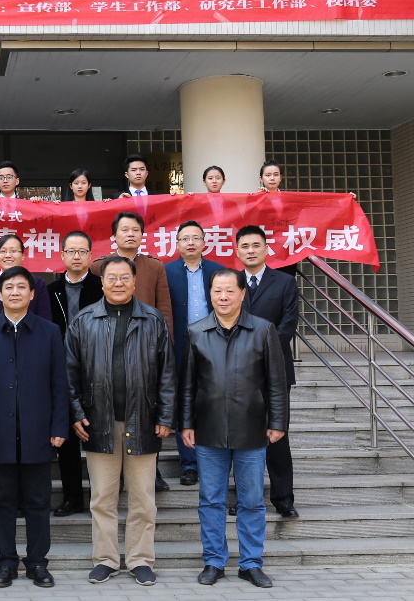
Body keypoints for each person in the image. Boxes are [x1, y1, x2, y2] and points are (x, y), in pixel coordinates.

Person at [66, 255, 176, 586]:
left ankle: (141, 560)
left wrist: (165, 414)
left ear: (134, 281)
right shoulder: (83, 321)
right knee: (102, 498)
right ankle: (106, 559)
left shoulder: (153, 320)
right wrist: (76, 412)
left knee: (143, 498)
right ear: (101, 283)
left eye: (124, 277)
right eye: (111, 278)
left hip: (142, 420)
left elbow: (167, 373)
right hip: (99, 423)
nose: (118, 283)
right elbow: (69, 373)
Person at [180, 269, 288, 589]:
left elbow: (276, 382)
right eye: (217, 291)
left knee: (252, 500)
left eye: (229, 291)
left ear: (243, 294)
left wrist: (278, 422)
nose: (223, 297)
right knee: (210, 500)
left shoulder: (263, 330)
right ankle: (214, 561)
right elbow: (188, 384)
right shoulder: (196, 331)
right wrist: (186, 423)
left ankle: (251, 563)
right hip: (209, 429)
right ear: (210, 294)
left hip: (251, 429)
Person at [0, 266, 67, 589]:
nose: (15, 292)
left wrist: (59, 426)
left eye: (21, 287)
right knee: (1, 502)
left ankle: (38, 563)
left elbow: (59, 383)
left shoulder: (49, 332)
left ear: (32, 294)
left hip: (38, 432)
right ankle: (6, 563)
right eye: (9, 287)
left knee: (39, 502)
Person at [235, 225, 300, 518]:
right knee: (243, 437)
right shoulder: (230, 282)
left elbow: (288, 323)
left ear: (265, 248)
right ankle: (245, 498)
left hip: (276, 370)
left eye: (256, 245)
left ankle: (284, 499)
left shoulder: (285, 282)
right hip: (237, 370)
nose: (250, 251)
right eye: (245, 246)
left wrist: (263, 352)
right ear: (237, 251)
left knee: (277, 435)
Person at [163, 221, 224, 486]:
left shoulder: (217, 271)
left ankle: (213, 462)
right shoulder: (165, 271)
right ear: (177, 243)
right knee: (183, 403)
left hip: (214, 345)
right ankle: (189, 465)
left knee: (213, 402)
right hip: (179, 345)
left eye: (195, 238)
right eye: (185, 238)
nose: (190, 242)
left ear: (204, 243)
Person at [47, 231, 101, 517]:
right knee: (66, 436)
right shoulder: (50, 291)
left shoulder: (101, 287)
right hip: (61, 370)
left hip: (98, 369)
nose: (76, 256)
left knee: (97, 434)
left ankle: (100, 498)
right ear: (62, 256)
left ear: (91, 256)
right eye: (71, 251)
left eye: (82, 251)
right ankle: (72, 498)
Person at [0, 234, 52, 328]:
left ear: (23, 255)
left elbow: (45, 324)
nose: (8, 255)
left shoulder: (38, 283)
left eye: (13, 251)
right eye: (3, 251)